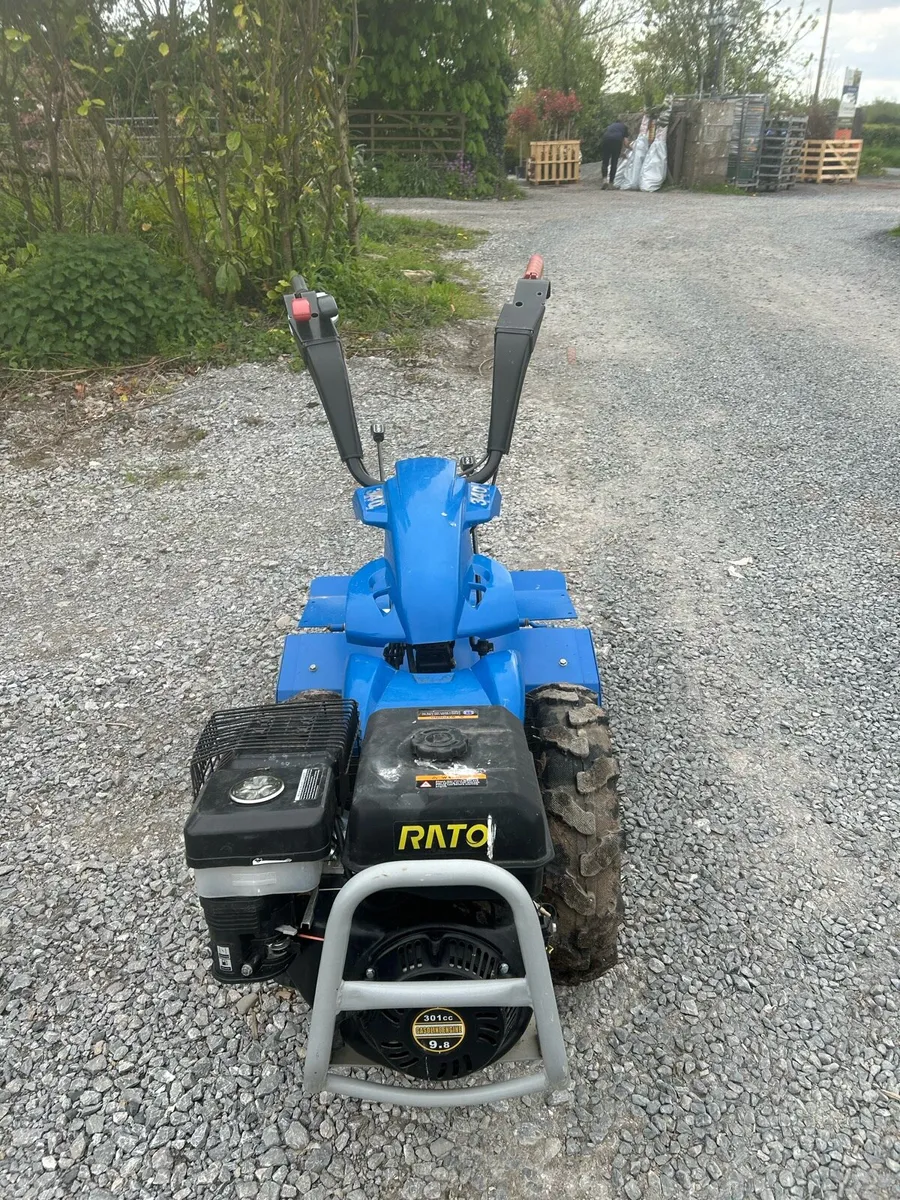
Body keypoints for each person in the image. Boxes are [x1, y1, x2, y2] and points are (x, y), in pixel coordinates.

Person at [600, 120, 631, 189]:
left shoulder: (610, 126)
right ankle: (611, 183)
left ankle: (605, 181)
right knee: (614, 162)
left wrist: (622, 152)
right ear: (622, 122)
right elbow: (625, 143)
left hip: (606, 139)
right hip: (616, 141)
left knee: (605, 161)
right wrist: (631, 149)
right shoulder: (624, 127)